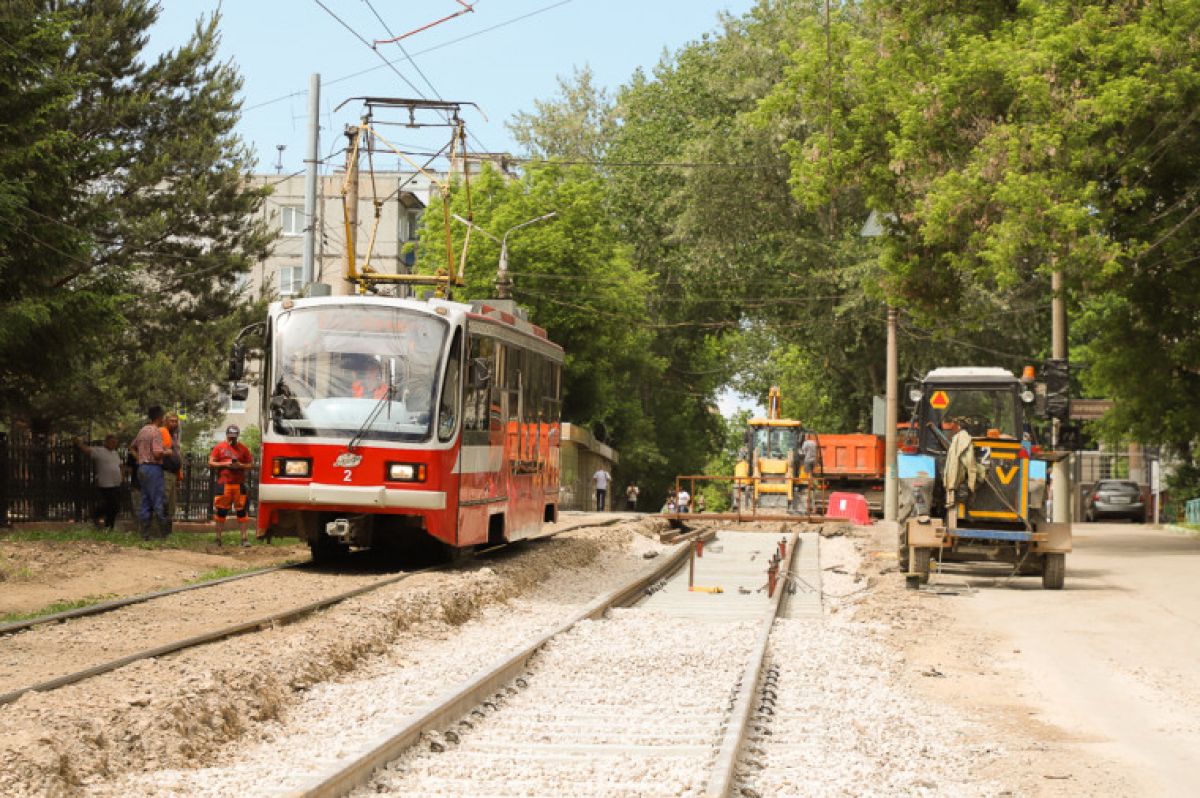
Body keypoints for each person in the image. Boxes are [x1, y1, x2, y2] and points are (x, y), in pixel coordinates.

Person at [209, 425, 255, 546]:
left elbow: (250, 465)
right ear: (227, 435)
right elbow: (211, 462)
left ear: (238, 435)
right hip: (224, 484)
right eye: (230, 437)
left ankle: (244, 539)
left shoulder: (243, 449)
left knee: (242, 512)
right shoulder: (219, 447)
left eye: (234, 437)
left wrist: (240, 465)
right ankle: (218, 539)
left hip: (239, 485)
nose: (232, 439)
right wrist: (225, 464)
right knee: (221, 512)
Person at [130, 406, 169, 539]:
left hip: (142, 468)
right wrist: (167, 452)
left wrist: (140, 458)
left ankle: (145, 534)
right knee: (158, 499)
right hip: (153, 468)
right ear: (159, 417)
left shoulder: (143, 430)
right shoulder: (156, 432)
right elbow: (157, 454)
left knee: (145, 500)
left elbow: (132, 447)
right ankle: (162, 534)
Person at [75, 434, 124, 529]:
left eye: (115, 443)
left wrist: (122, 476)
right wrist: (79, 443)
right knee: (113, 504)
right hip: (105, 483)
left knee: (115, 506)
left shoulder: (115, 453)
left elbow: (121, 465)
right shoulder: (99, 451)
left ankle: (109, 526)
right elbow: (87, 450)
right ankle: (96, 514)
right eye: (112, 442)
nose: (114, 444)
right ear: (107, 442)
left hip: (116, 483)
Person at [160, 412, 183, 538]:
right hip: (165, 472)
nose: (174, 423)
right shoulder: (162, 431)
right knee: (164, 501)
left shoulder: (174, 435)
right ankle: (161, 532)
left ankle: (167, 532)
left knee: (171, 505)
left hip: (174, 474)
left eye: (175, 421)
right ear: (165, 421)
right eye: (171, 421)